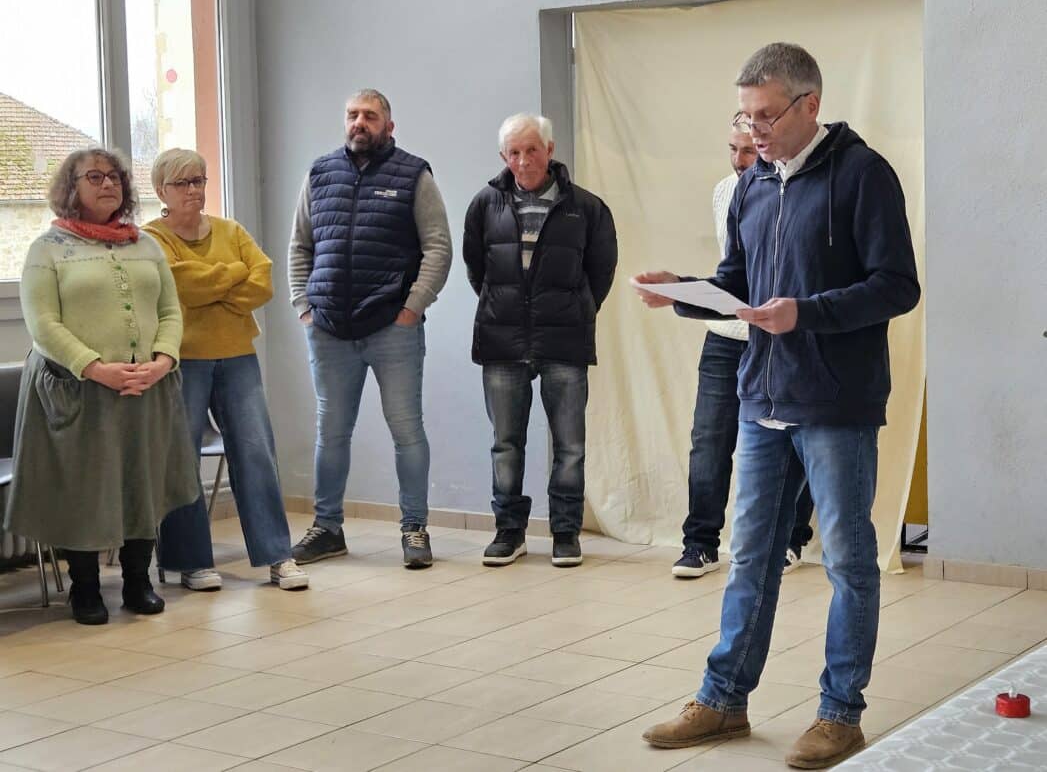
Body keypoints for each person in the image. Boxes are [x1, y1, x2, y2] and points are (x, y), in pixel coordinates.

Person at [635, 43, 920, 769]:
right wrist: (684, 292)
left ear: (809, 105)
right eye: (745, 117)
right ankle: (723, 698)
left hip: (835, 403)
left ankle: (840, 712)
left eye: (765, 116)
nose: (753, 131)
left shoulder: (863, 174)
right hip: (761, 396)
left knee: (848, 561)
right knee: (750, 557)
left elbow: (897, 285)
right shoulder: (752, 186)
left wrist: (807, 313)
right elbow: (737, 282)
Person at [4, 148, 200, 625]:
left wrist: (162, 360)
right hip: (76, 389)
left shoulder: (145, 244)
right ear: (71, 188)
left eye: (114, 177)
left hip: (145, 388)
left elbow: (170, 311)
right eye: (94, 177)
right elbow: (43, 324)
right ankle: (85, 588)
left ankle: (138, 582)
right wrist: (95, 368)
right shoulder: (47, 249)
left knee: (142, 481)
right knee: (84, 487)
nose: (108, 184)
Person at [288, 89, 452, 569]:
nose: (360, 122)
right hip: (328, 327)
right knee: (331, 432)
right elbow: (300, 246)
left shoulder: (414, 174)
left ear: (389, 126)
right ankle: (327, 528)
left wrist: (412, 309)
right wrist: (303, 306)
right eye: (353, 115)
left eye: (370, 116)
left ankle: (414, 529)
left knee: (407, 430)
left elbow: (438, 247)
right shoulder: (320, 173)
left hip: (392, 328)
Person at [146, 148, 309, 592]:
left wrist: (213, 285)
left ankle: (278, 555)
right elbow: (179, 284)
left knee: (257, 452)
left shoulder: (230, 230)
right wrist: (233, 273)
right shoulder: (152, 239)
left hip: (237, 355)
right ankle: (191, 562)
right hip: (182, 358)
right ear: (161, 190)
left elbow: (263, 282)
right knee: (181, 457)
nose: (194, 190)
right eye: (183, 183)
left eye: (199, 180)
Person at [463, 113, 618, 567]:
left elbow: (601, 272)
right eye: (514, 152)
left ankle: (565, 532)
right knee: (505, 444)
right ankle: (509, 532)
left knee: (569, 445)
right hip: (502, 340)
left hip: (564, 341)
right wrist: (506, 307)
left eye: (532, 150)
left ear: (549, 150)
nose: (523, 160)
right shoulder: (484, 204)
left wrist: (576, 310)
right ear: (503, 156)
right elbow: (477, 269)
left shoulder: (586, 207)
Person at [673, 126, 815, 579]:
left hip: (780, 333)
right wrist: (682, 292)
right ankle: (700, 543)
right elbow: (732, 271)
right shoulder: (725, 191)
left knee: (792, 436)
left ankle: (791, 538)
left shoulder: (800, 189)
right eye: (733, 149)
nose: (739, 159)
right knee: (709, 441)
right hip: (726, 334)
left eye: (748, 150)